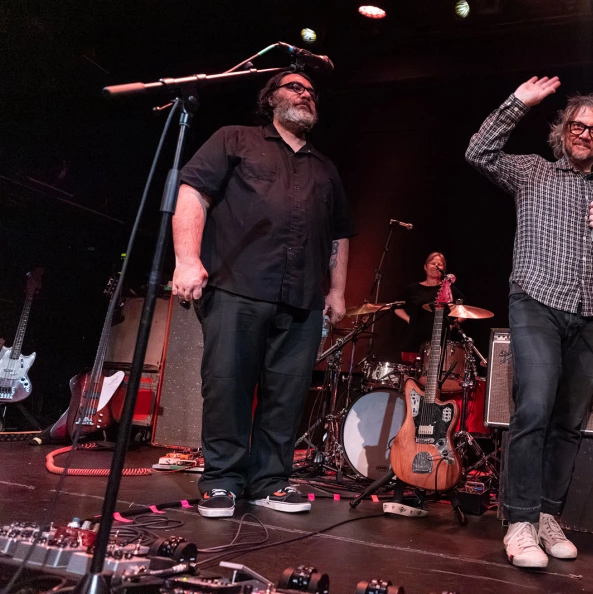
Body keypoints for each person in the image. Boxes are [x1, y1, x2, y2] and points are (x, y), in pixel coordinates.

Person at [466, 76, 593, 568]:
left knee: (569, 423)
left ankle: (546, 514)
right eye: (578, 126)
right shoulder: (532, 172)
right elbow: (479, 152)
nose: (586, 135)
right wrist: (517, 101)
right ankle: (519, 522)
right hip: (536, 301)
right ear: (563, 130)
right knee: (534, 407)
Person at [171, 69, 355, 519]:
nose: (306, 95)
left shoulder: (326, 168)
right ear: (270, 98)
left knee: (287, 394)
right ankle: (221, 482)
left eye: (312, 91)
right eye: (296, 87)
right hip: (238, 285)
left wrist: (337, 291)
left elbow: (340, 234)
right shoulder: (234, 139)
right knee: (228, 386)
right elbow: (194, 191)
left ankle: (269, 481)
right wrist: (187, 259)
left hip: (302, 298)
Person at [393, 252, 464, 355]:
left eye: (439, 264)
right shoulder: (413, 288)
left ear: (443, 269)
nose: (436, 266)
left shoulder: (449, 289)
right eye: (432, 263)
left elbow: (465, 310)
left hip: (439, 340)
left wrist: (452, 325)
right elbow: (396, 306)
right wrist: (409, 319)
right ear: (425, 267)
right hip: (413, 341)